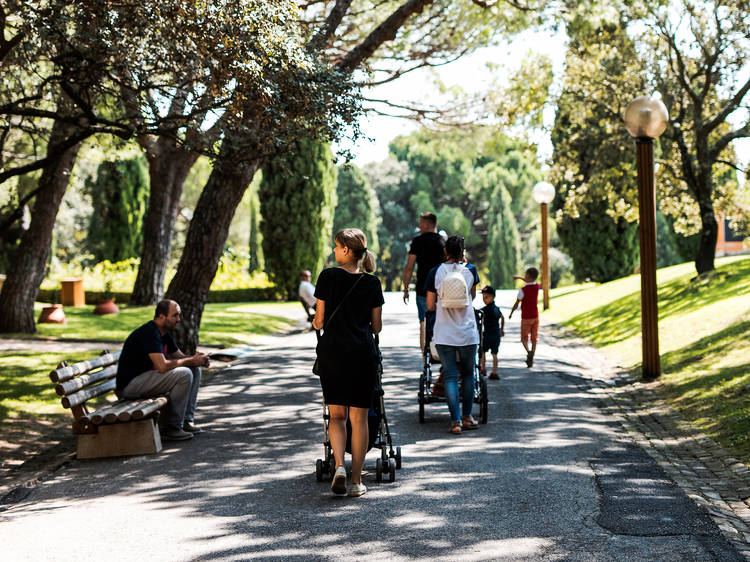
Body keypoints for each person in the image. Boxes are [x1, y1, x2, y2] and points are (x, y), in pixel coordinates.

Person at [313, 228, 384, 497]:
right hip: (361, 355)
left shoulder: (327, 277)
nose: (333, 251)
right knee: (359, 416)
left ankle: (339, 465)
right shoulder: (372, 283)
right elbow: (376, 327)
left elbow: (319, 321)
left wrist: (317, 321)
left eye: (336, 246)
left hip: (333, 354)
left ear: (346, 250)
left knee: (337, 415)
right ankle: (356, 481)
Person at [115, 299, 209, 441]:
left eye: (179, 315)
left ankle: (186, 421)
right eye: (175, 315)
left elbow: (181, 358)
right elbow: (162, 366)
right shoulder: (149, 332)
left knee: (194, 370)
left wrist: (198, 360)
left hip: (146, 379)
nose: (178, 319)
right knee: (184, 374)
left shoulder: (165, 334)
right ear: (161, 317)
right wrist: (190, 361)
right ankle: (171, 427)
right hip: (130, 386)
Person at [425, 235, 480, 435]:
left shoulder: (436, 272)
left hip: (444, 332)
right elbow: (471, 297)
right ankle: (467, 417)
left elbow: (430, 305)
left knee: (449, 376)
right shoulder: (471, 271)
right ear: (462, 250)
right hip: (467, 332)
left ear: (445, 251)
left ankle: (455, 421)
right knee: (467, 374)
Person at [402, 212, 445, 351]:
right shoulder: (444, 242)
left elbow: (409, 267)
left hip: (423, 289)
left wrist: (406, 289)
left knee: (423, 323)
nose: (419, 226)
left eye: (421, 223)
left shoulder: (417, 242)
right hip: (442, 290)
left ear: (427, 224)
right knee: (443, 323)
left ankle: (425, 361)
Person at [508, 267, 541, 368]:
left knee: (524, 338)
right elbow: (530, 281)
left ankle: (529, 352)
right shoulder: (537, 287)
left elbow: (517, 303)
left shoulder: (523, 290)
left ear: (527, 276)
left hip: (526, 317)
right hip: (535, 316)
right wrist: (519, 277)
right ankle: (532, 354)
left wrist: (511, 313)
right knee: (534, 338)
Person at [479, 285, 505, 380]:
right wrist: (501, 329)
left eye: (486, 297)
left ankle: (483, 368)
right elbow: (502, 318)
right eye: (483, 297)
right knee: (494, 354)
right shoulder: (497, 309)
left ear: (493, 297)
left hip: (487, 335)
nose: (484, 299)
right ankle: (494, 372)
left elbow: (480, 321)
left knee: (483, 352)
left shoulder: (483, 310)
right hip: (496, 334)